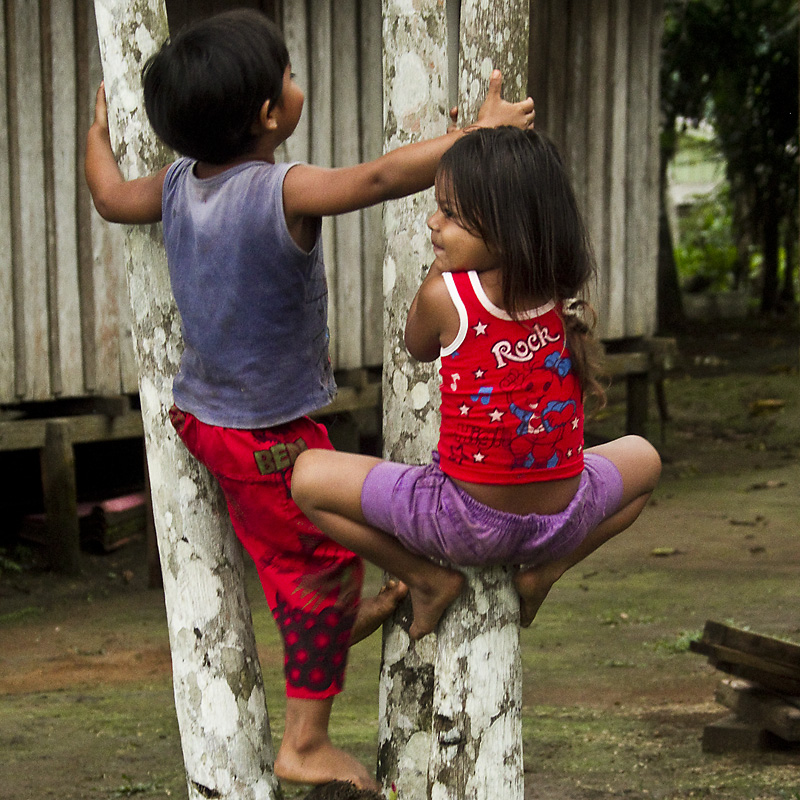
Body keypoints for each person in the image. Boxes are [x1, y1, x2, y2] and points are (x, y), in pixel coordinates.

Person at [84, 9, 535, 790]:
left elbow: (109, 197)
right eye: (288, 77)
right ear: (268, 114)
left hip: (206, 417)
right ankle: (305, 739)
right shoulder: (281, 189)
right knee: (315, 570)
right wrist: (478, 136)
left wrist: (93, 138)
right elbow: (381, 177)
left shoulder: (176, 186)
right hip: (267, 432)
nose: (297, 86)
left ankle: (375, 600)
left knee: (308, 541)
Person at [292, 126, 662, 640]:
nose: (433, 223)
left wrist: (437, 269)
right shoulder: (560, 294)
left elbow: (416, 344)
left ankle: (425, 579)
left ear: (511, 227)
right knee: (645, 458)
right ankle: (548, 571)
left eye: (452, 214)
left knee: (307, 476)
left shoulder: (450, 295)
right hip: (563, 519)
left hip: (462, 521)